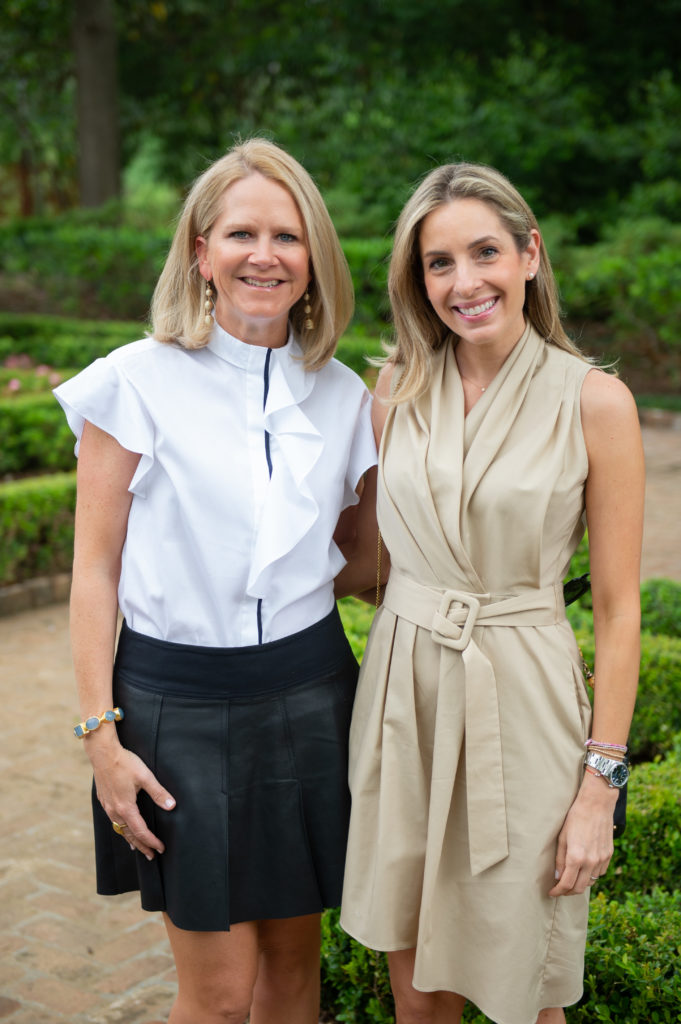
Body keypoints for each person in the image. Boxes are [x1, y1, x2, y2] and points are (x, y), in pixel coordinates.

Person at [54, 138, 379, 1024]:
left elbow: (361, 556)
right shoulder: (132, 383)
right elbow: (94, 572)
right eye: (240, 234)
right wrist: (99, 739)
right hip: (177, 708)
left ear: (313, 258)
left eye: (287, 236)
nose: (263, 256)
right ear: (201, 252)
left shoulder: (346, 395)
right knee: (220, 995)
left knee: (294, 972)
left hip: (313, 696)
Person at [340, 162, 644, 1024]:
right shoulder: (394, 389)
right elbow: (368, 562)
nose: (463, 282)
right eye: (438, 263)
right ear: (417, 279)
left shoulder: (596, 403)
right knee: (416, 998)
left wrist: (600, 786)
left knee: (528, 993)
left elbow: (619, 610)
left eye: (484, 253)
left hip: (523, 699)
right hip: (402, 698)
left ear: (529, 255)